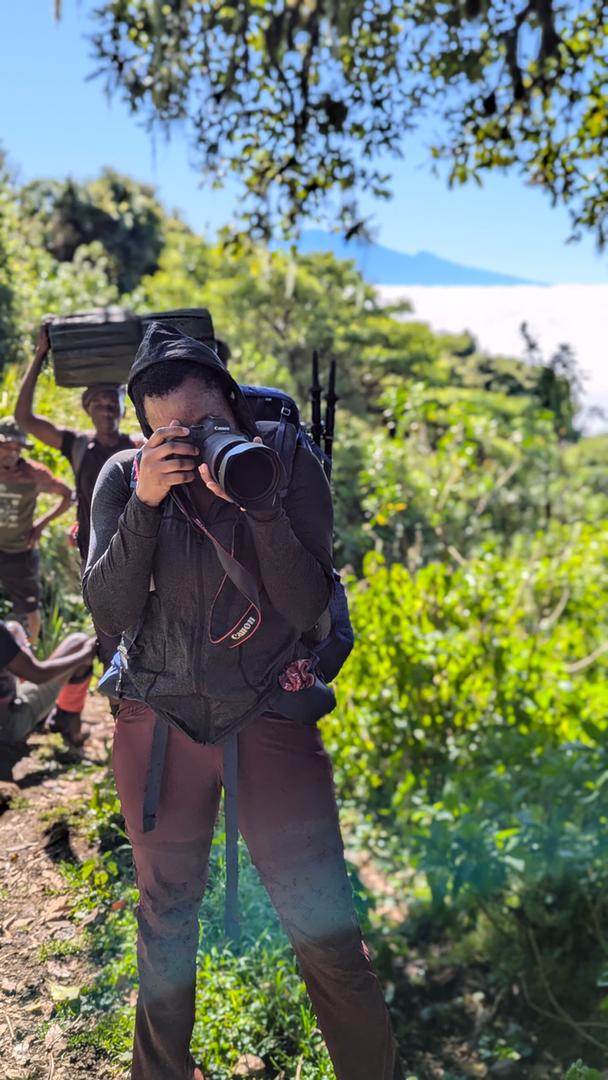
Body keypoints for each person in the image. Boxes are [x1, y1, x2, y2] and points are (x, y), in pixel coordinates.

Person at [83, 323, 404, 1080]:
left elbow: (305, 607)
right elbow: (109, 611)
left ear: (236, 405)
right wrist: (147, 503)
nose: (193, 443)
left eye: (208, 426)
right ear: (145, 434)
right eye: (172, 434)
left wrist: (257, 506)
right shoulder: (123, 478)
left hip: (266, 708)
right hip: (160, 716)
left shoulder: (287, 463)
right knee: (164, 921)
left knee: (324, 926)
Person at [15, 321, 141, 663]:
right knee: (106, 624)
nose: (106, 409)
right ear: (87, 408)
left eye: (112, 402)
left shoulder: (136, 447)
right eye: (98, 403)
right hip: (93, 549)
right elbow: (23, 417)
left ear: (123, 408)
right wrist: (40, 355)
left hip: (136, 547)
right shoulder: (77, 446)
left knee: (144, 620)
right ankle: (118, 693)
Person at [0, 417, 72, 645]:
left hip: (19, 551)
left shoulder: (32, 475)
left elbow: (67, 495)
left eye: (17, 448)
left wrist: (40, 526)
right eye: (6, 447)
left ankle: (29, 656)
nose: (12, 453)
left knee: (29, 608)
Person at [0, 619, 96, 782]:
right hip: (6, 725)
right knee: (78, 644)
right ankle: (70, 726)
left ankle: (62, 718)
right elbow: (37, 674)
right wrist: (85, 654)